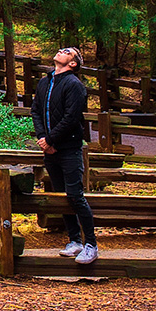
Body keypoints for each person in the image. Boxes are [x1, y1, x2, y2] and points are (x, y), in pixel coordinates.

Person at [33, 46, 98, 264]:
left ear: (73, 64)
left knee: (75, 196)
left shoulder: (74, 85)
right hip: (50, 151)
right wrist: (43, 138)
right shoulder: (45, 82)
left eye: (68, 51)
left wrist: (50, 140)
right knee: (61, 196)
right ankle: (74, 241)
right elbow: (35, 111)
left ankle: (90, 244)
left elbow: (72, 118)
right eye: (62, 49)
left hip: (69, 149)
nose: (62, 51)